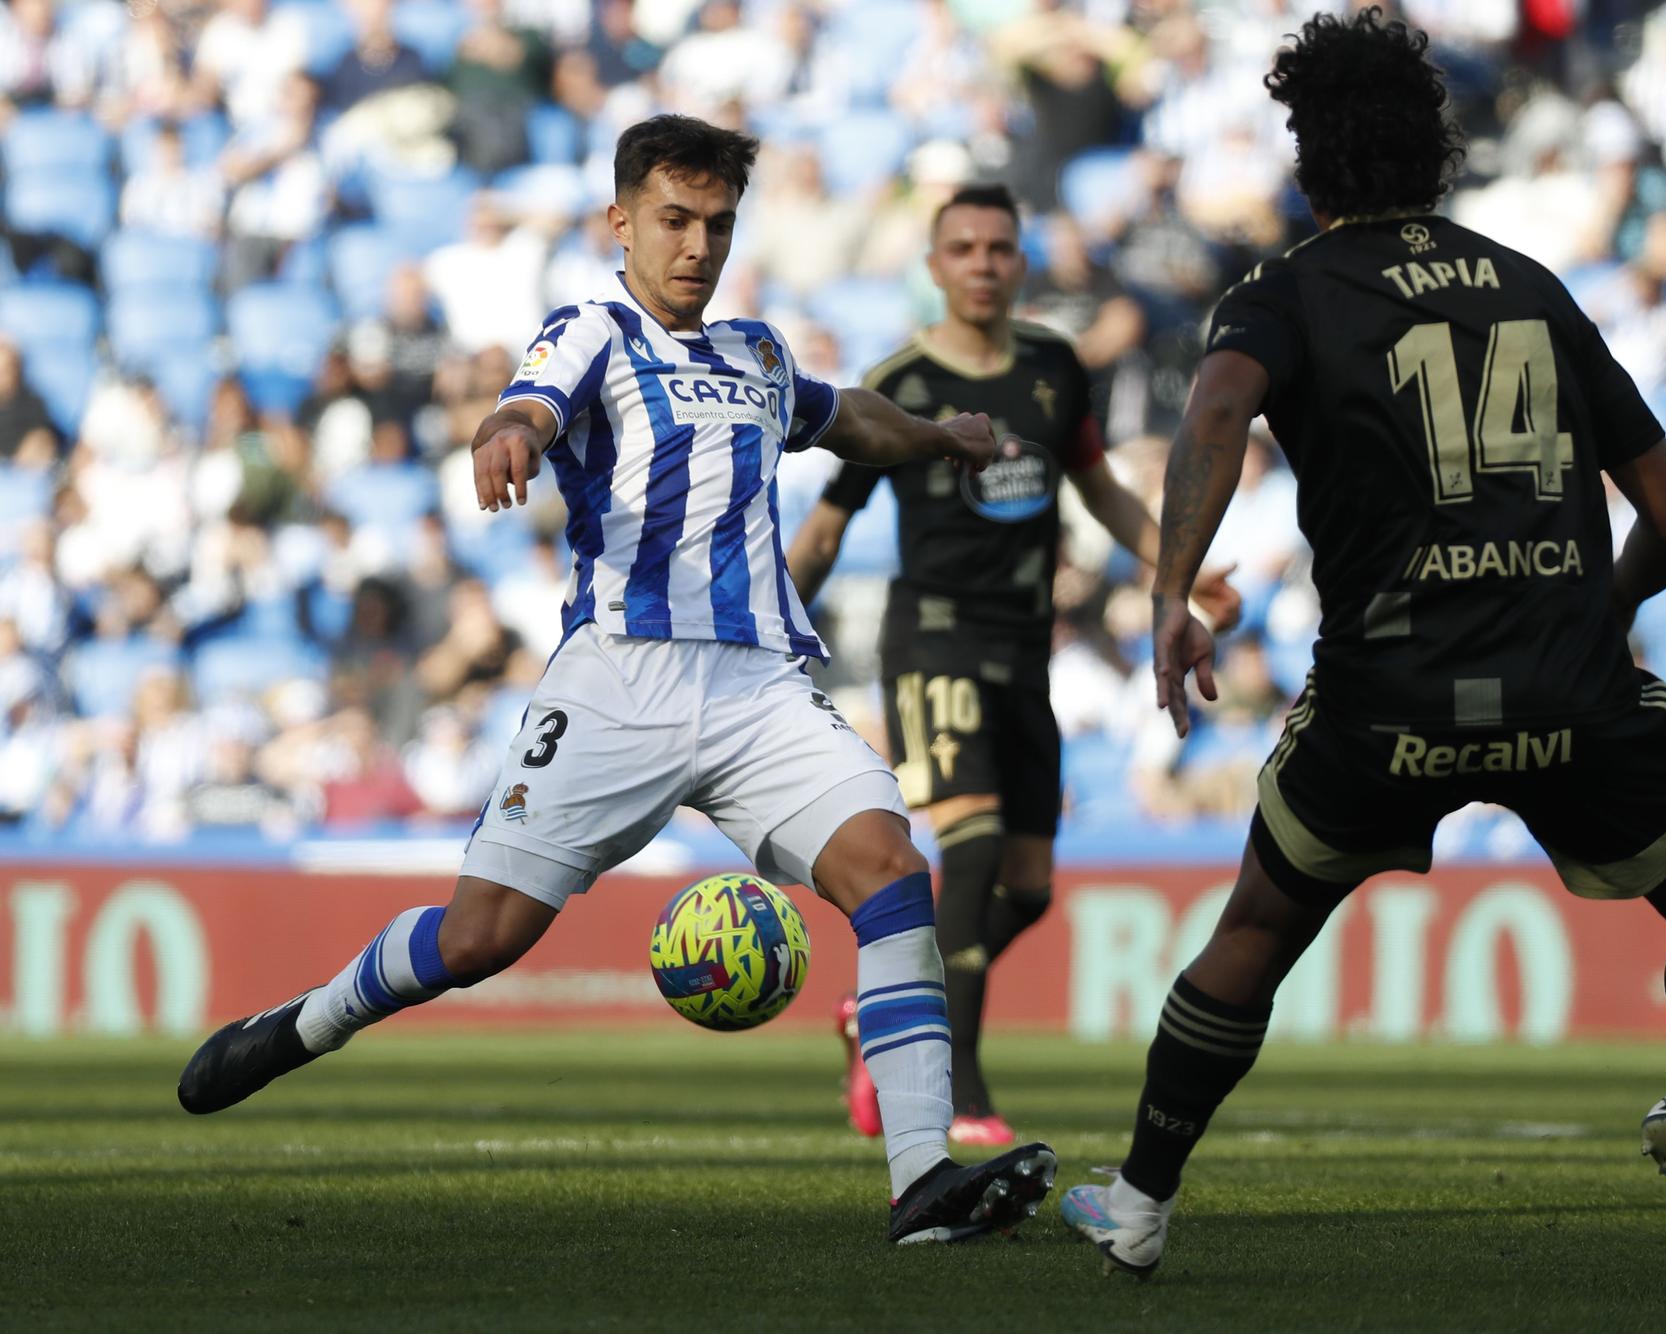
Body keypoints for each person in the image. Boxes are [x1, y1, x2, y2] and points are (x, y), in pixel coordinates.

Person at [177, 114, 1058, 1246]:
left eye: (717, 225)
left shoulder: (757, 355)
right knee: (478, 938)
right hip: (616, 682)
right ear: (622, 222)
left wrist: (940, 435)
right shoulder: (591, 329)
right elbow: (532, 402)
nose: (696, 246)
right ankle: (310, 1019)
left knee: (892, 872)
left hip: (755, 685)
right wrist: (509, 434)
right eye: (675, 221)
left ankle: (922, 1179)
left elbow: (851, 422)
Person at [1060, 10, 1666, 1284]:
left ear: (1306, 156)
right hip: (1567, 685)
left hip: (1383, 696)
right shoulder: (1532, 288)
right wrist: (1595, 616)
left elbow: (1218, 403)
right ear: (1436, 149)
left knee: (1254, 932)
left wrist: (1170, 585)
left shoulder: (1281, 294)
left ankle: (1138, 1201)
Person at [785, 183, 1239, 1146]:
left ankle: (883, 1016)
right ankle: (963, 1095)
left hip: (1029, 646)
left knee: (1026, 890)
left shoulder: (1051, 366)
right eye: (964, 248)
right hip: (934, 640)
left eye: (1000, 247)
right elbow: (828, 525)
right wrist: (765, 623)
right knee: (975, 845)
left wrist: (1181, 572)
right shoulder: (900, 383)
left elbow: (1100, 489)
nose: (984, 263)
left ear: (1020, 261)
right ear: (936, 265)